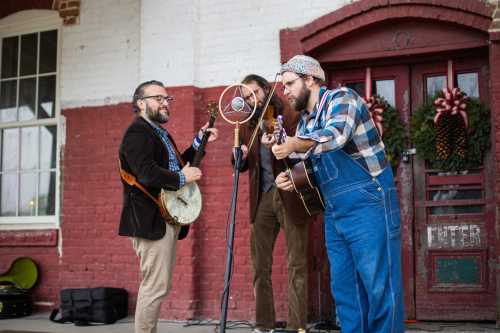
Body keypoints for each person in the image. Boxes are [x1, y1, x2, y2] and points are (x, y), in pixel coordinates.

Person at [271, 55, 404, 333]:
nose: (286, 92)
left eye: (290, 84)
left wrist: (294, 143)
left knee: (378, 285)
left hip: (369, 202)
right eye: (284, 86)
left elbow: (336, 136)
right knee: (345, 289)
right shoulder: (306, 123)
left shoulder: (342, 98)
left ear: (311, 79)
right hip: (336, 211)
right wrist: (292, 178)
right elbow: (313, 171)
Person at [118, 80, 218, 333]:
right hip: (151, 219)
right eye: (158, 98)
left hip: (165, 217)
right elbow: (148, 174)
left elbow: (175, 167)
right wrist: (184, 178)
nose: (165, 103)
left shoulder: (159, 134)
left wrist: (199, 142)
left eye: (167, 99)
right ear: (141, 103)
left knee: (158, 284)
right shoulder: (137, 134)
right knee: (155, 285)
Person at [234, 74, 314, 333]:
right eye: (246, 97)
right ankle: (263, 325)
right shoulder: (248, 124)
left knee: (296, 264)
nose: (251, 99)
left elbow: (303, 151)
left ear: (266, 89)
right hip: (263, 198)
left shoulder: (289, 113)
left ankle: (296, 326)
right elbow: (244, 165)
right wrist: (238, 155)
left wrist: (280, 140)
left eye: (255, 93)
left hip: (291, 192)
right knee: (260, 265)